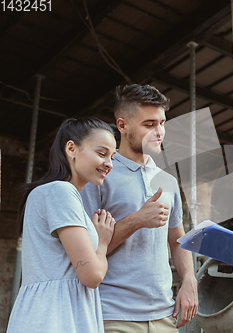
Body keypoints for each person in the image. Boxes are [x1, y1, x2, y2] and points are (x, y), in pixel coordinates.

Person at [80, 84, 198, 333]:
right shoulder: (99, 176)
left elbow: (177, 241)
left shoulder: (168, 181)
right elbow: (84, 255)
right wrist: (136, 220)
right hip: (113, 315)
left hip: (165, 316)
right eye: (149, 124)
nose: (159, 132)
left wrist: (189, 279)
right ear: (122, 126)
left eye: (162, 123)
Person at [7, 118, 117, 333]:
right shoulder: (61, 192)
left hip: (52, 314)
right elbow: (92, 275)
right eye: (102, 153)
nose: (109, 163)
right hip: (54, 318)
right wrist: (102, 242)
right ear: (71, 148)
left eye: (113, 157)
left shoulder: (56, 194)